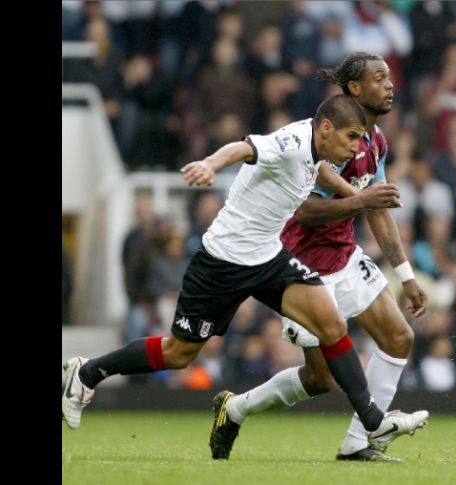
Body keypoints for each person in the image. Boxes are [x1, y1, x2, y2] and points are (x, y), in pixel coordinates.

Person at [62, 94, 429, 455]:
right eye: (351, 137)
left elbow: (320, 173)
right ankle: (87, 373)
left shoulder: (317, 147)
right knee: (178, 354)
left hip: (269, 256)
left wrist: (358, 198)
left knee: (331, 325)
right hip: (223, 262)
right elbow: (243, 149)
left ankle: (371, 421)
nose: (355, 147)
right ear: (327, 128)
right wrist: (209, 164)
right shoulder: (289, 143)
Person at [210, 52, 428, 463]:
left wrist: (407, 276)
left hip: (345, 256)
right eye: (378, 78)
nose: (389, 84)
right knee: (319, 378)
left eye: (390, 77)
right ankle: (235, 409)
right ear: (354, 89)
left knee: (399, 337)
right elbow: (305, 210)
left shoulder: (375, 141)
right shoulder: (322, 140)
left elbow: (376, 208)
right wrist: (360, 200)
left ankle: (359, 441)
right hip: (301, 267)